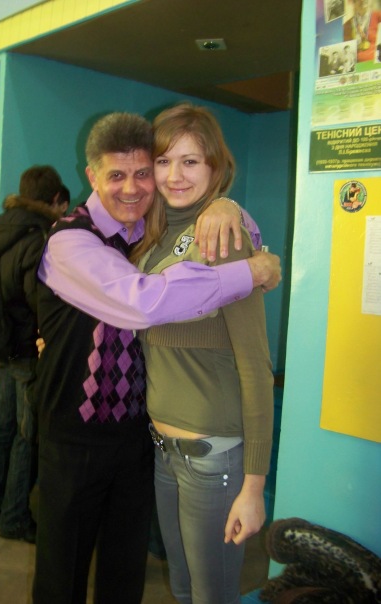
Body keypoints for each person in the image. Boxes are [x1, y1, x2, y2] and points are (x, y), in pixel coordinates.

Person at [32, 112, 281, 604]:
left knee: (129, 573)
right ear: (92, 177)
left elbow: (255, 364)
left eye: (143, 172)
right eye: (117, 175)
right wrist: (251, 272)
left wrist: (230, 208)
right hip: (78, 437)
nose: (134, 187)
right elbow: (144, 302)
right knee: (63, 574)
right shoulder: (72, 240)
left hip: (143, 439)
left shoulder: (153, 233)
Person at [131, 102, 274, 603]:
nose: (174, 176)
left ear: (215, 167)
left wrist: (254, 487)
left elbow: (256, 367)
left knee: (212, 595)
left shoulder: (223, 237)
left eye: (190, 161)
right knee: (183, 586)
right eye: (164, 161)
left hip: (214, 458)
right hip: (164, 452)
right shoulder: (151, 240)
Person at [0, 165, 67, 544]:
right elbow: (36, 299)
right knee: (26, 437)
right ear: (54, 199)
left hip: (0, 344)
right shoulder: (39, 235)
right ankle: (14, 518)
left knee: (2, 428)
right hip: (27, 348)